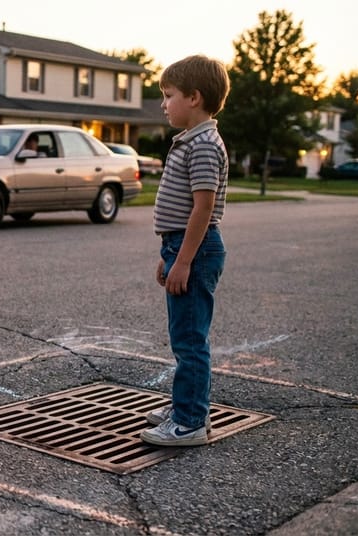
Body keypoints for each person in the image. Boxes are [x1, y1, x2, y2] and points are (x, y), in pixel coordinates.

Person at [140, 55, 230, 447]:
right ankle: (186, 405)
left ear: (194, 97)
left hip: (196, 249)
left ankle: (190, 421)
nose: (163, 103)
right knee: (185, 335)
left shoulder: (206, 145)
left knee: (190, 339)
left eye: (168, 95)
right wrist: (169, 253)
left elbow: (203, 208)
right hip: (181, 245)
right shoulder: (192, 141)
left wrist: (184, 260)